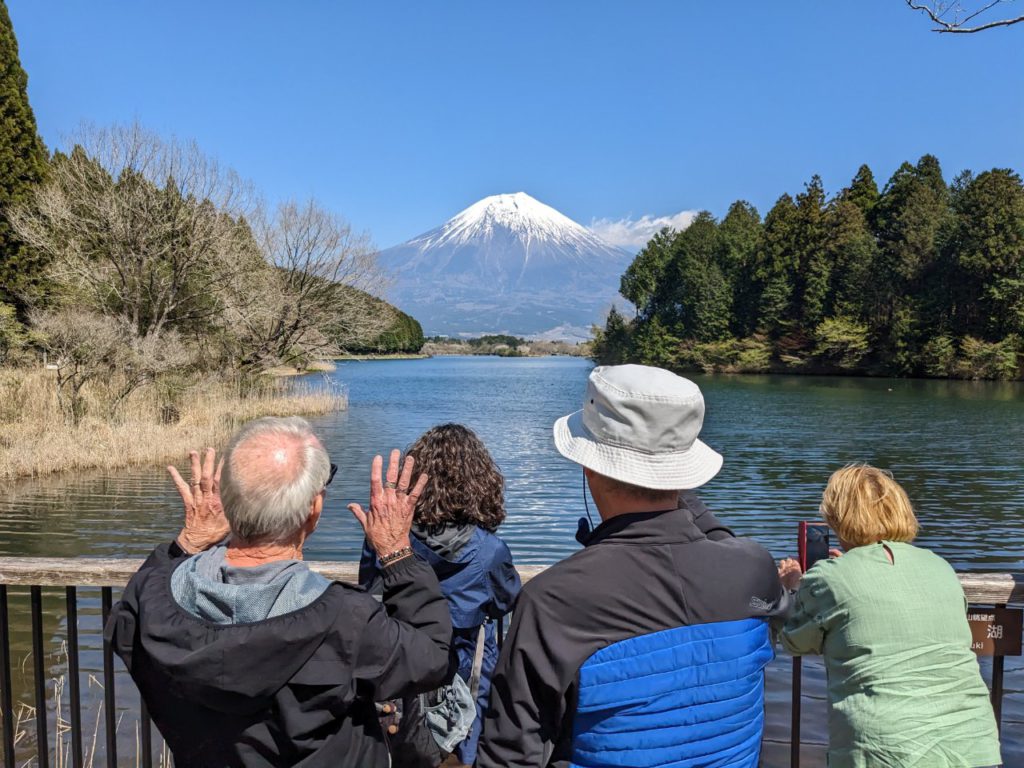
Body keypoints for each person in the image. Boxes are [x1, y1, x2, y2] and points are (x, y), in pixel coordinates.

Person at [476, 364, 788, 768]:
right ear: (685, 470)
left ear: (590, 467)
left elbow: (509, 755)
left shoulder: (555, 600)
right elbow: (721, 546)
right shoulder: (753, 568)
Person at [104, 416, 454, 768]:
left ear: (225, 501)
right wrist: (397, 555)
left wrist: (189, 543)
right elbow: (431, 658)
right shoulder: (344, 619)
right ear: (313, 511)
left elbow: (126, 623)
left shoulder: (155, 599)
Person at [777, 464, 1002, 768]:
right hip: (974, 745)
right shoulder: (939, 566)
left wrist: (793, 588)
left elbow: (793, 641)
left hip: (886, 752)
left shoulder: (830, 578)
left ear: (837, 518)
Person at [359, 423, 521, 767]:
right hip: (464, 679)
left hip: (397, 675)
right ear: (481, 481)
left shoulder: (387, 538)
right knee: (462, 752)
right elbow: (507, 601)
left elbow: (367, 590)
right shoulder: (489, 550)